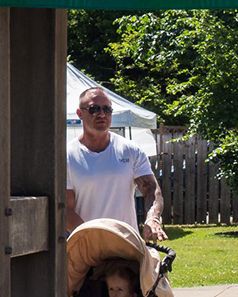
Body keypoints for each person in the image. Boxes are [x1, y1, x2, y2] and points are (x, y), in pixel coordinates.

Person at [66, 87, 167, 241]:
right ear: (80, 113)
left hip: (127, 244)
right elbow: (66, 210)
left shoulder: (130, 150)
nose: (101, 114)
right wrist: (96, 240)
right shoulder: (67, 155)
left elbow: (151, 190)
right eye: (94, 109)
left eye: (107, 109)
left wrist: (152, 218)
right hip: (87, 248)